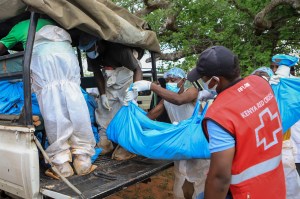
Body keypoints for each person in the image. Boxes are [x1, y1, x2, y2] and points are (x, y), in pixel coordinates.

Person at [0, 18, 96, 177]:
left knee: (54, 108)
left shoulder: (20, 25)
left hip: (44, 58)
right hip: (67, 56)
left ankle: (62, 166)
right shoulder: (56, 21)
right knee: (76, 103)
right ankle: (83, 162)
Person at [187, 46, 286, 199]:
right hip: (274, 184)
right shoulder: (260, 84)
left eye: (205, 79)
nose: (203, 82)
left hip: (247, 192)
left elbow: (220, 178)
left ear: (216, 80)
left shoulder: (219, 115)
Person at [128, 67, 213, 199]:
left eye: (174, 79)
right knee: (182, 178)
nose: (170, 82)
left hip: (198, 142)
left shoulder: (191, 91)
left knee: (201, 179)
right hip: (180, 143)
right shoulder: (166, 99)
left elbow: (178, 100)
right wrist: (131, 109)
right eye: (168, 79)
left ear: (183, 80)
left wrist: (151, 86)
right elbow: (152, 114)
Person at [79, 34, 143, 159]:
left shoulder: (118, 49)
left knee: (127, 107)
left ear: (99, 44)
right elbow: (97, 73)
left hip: (127, 74)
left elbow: (137, 70)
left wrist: (135, 91)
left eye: (91, 49)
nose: (90, 53)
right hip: (109, 77)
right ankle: (105, 142)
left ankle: (128, 145)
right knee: (103, 108)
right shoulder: (91, 54)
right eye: (87, 51)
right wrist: (102, 94)